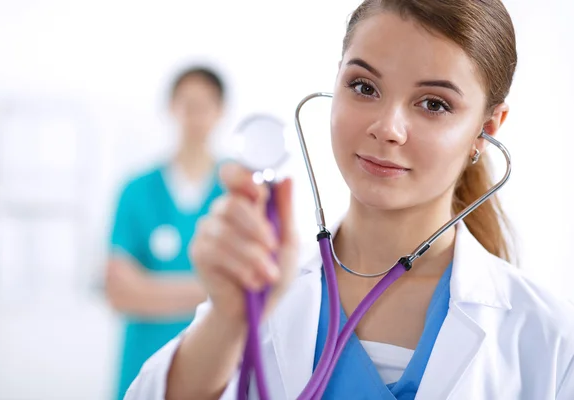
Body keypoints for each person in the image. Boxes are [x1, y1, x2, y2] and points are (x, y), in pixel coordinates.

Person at [124, 1, 574, 399]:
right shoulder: (262, 292)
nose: (387, 128)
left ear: (487, 129)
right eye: (364, 87)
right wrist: (226, 320)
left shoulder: (547, 336)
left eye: (434, 104)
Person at [106, 66, 226, 399]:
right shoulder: (136, 190)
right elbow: (119, 292)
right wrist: (216, 293)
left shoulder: (239, 191)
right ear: (172, 108)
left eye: (204, 106)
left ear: (220, 112)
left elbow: (256, 291)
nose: (195, 117)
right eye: (187, 105)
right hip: (142, 366)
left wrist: (149, 290)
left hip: (219, 373)